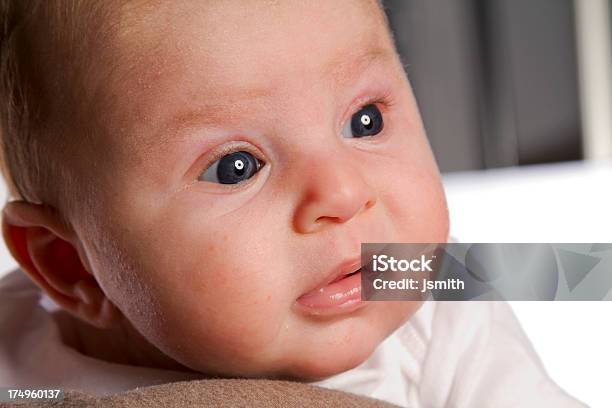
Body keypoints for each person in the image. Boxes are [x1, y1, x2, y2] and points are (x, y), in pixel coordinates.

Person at [0, 1, 585, 406]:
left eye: (365, 120)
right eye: (237, 167)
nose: (343, 193)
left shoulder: (441, 313)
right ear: (73, 266)